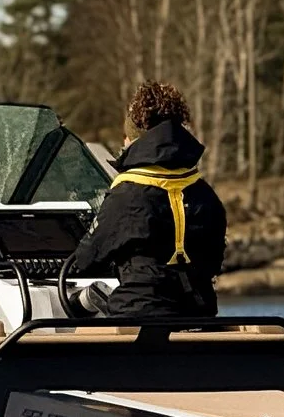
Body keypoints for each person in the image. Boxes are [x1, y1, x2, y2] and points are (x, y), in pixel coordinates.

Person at [63, 80, 227, 319]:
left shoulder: (126, 195)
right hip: (199, 312)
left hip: (138, 313)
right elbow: (214, 262)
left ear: (133, 140)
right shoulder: (205, 194)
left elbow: (87, 260)